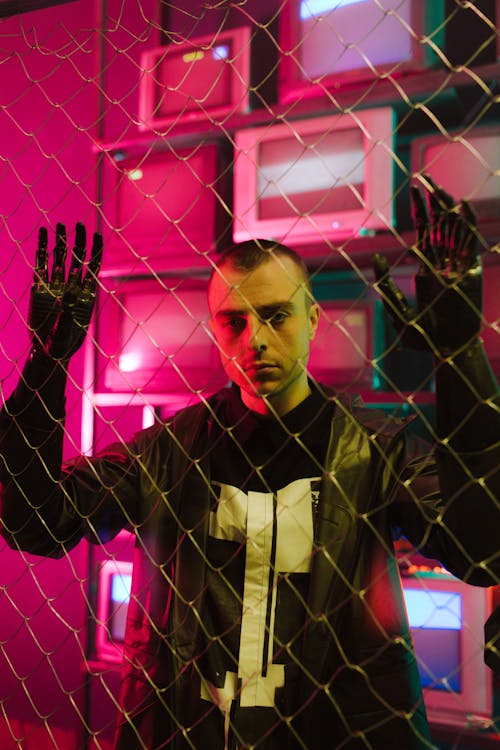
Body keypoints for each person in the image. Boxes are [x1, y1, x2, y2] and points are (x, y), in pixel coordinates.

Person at [0, 179, 499, 750]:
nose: (254, 340)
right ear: (214, 330)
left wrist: (461, 357)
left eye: (276, 316)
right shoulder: (169, 449)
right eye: (233, 322)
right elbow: (33, 521)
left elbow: (481, 549)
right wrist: (44, 368)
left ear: (314, 319)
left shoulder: (377, 447)